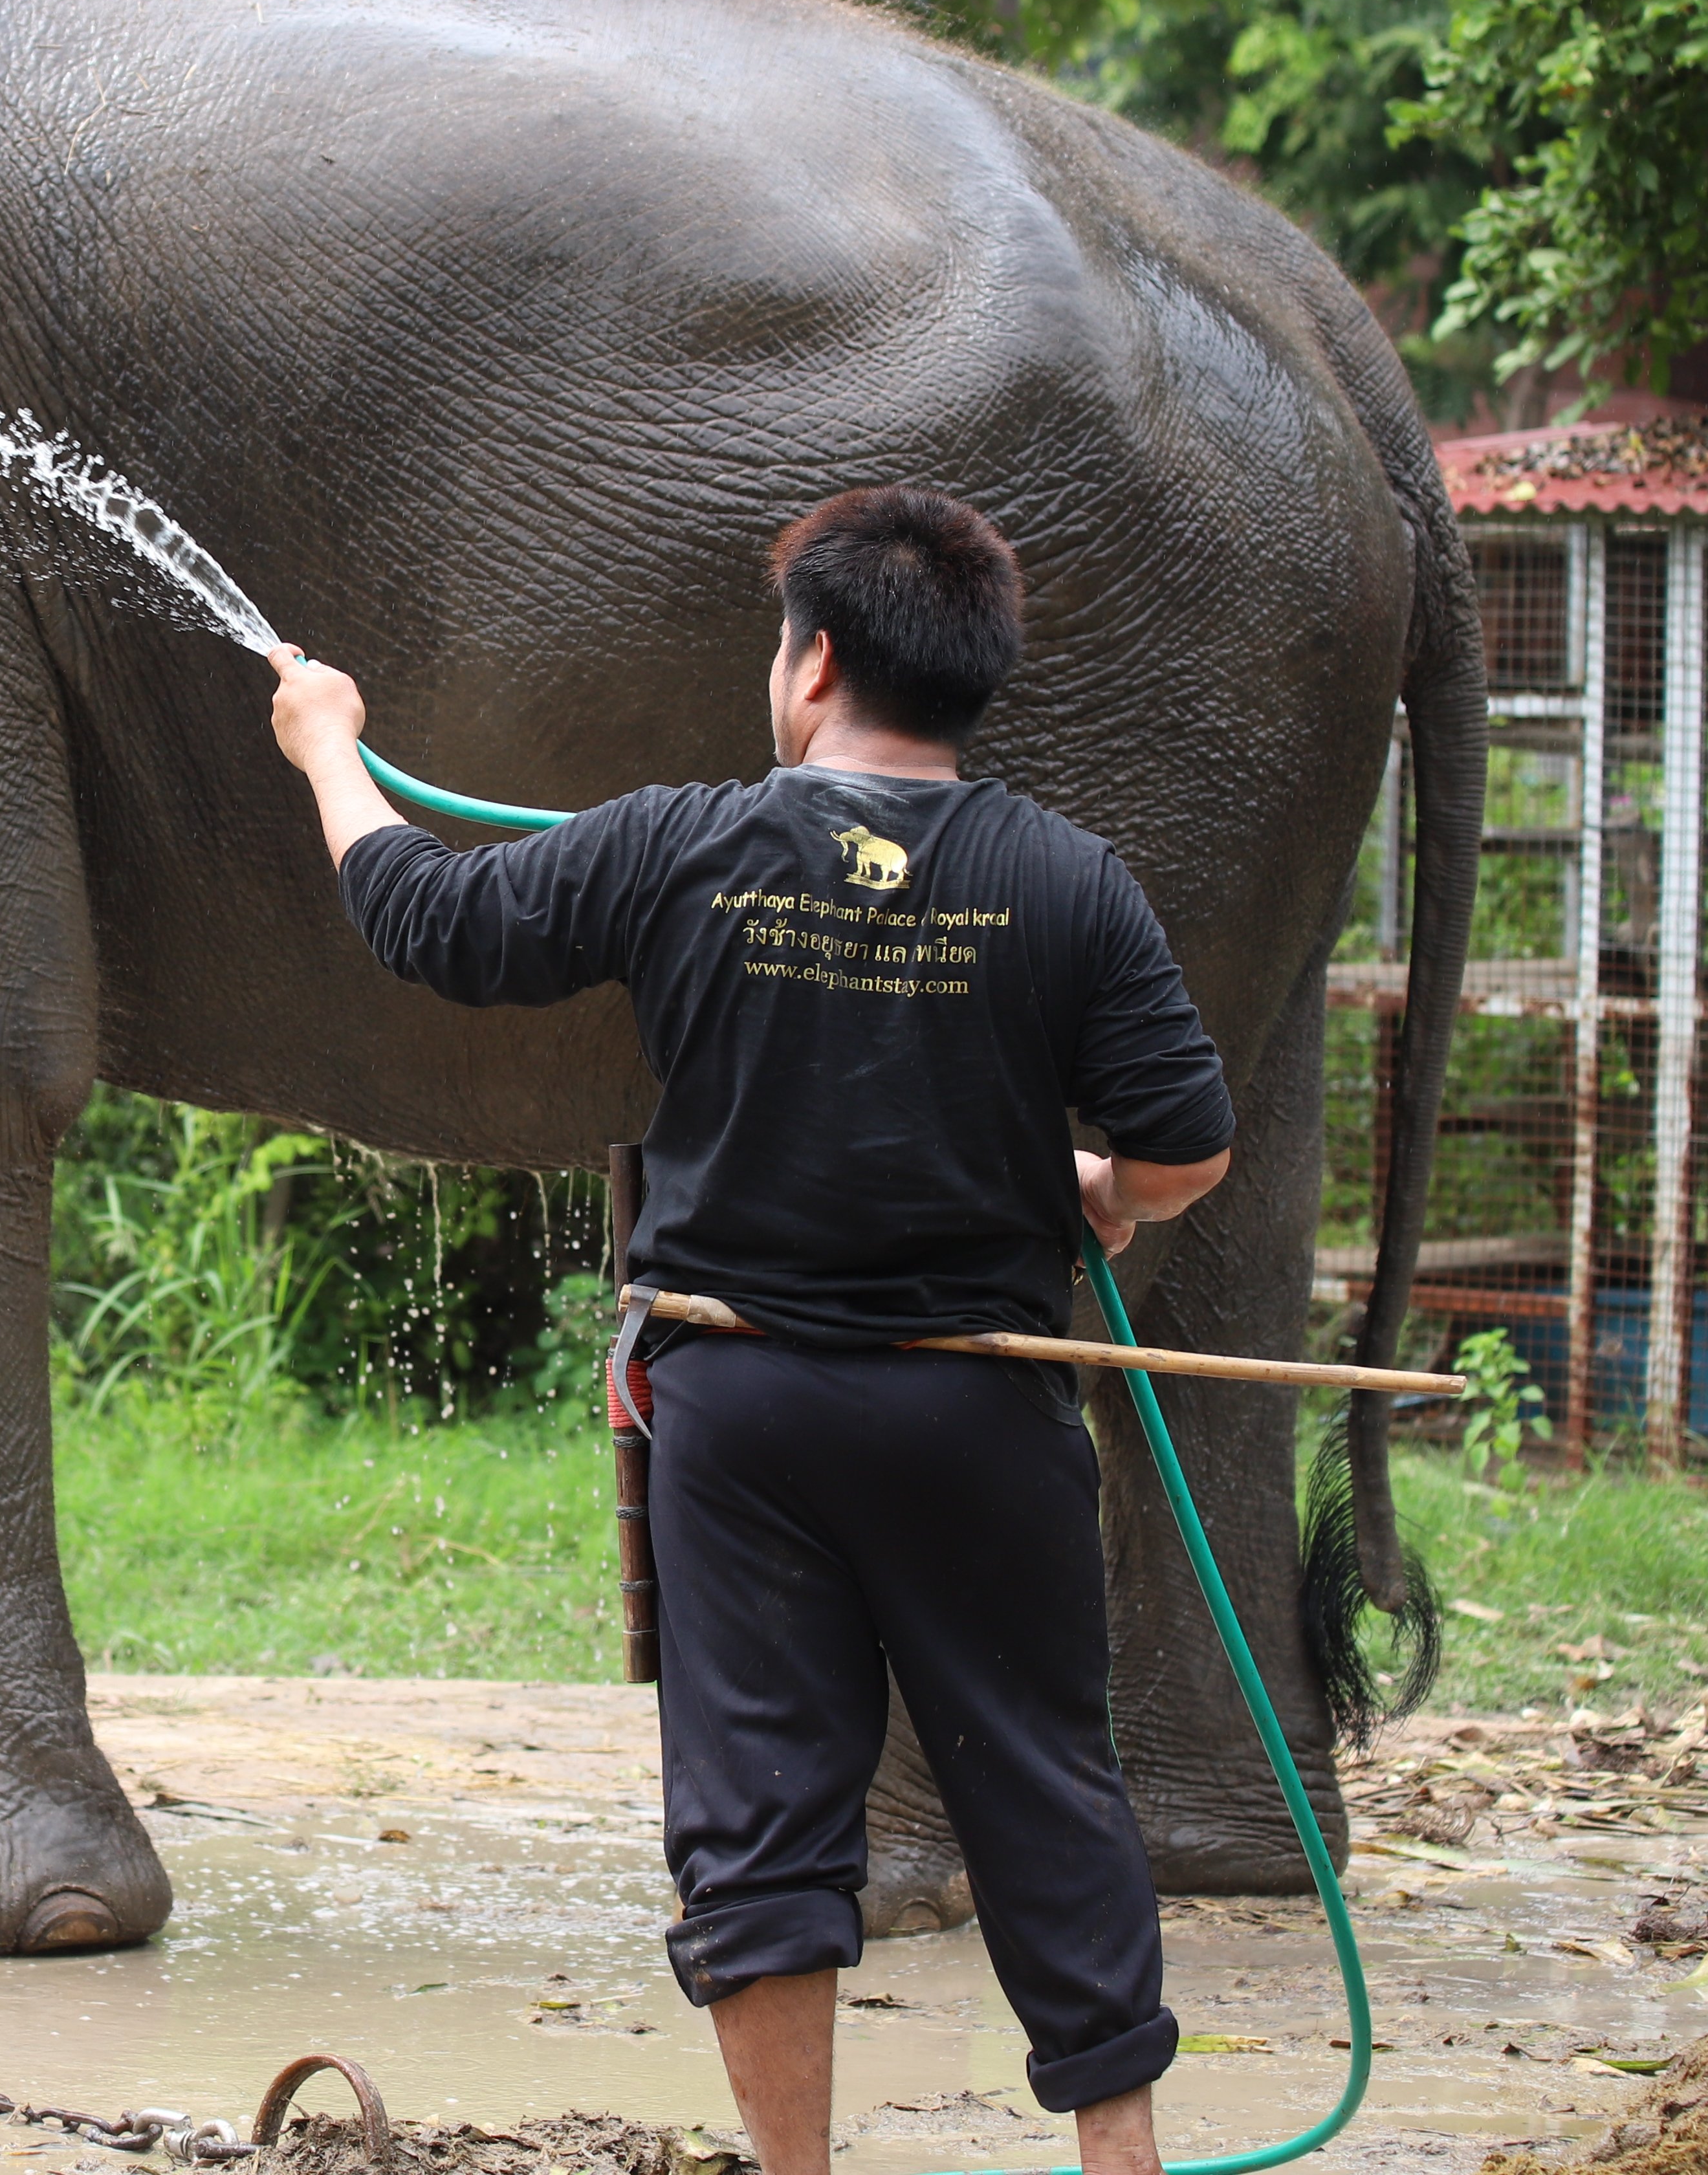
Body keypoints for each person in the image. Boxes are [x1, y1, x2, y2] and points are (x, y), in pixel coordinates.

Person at [261, 485, 1236, 2175]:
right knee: (1045, 1794)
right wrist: (1106, 1188)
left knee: (765, 1827)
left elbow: (430, 922)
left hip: (747, 1418)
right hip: (979, 1419)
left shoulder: (684, 843)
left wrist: (329, 744)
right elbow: (1187, 1144)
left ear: (816, 662)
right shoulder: (1067, 883)